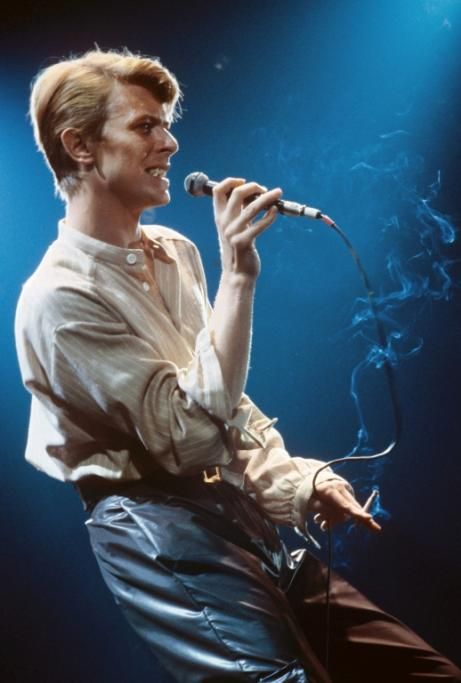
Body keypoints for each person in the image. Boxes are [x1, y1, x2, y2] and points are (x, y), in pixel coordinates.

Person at [15, 48, 461, 682]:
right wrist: (239, 279)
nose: (170, 143)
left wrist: (297, 481)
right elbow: (189, 437)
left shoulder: (175, 251)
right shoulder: (60, 297)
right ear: (80, 146)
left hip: (234, 509)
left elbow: (222, 403)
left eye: (167, 124)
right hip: (155, 528)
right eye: (145, 126)